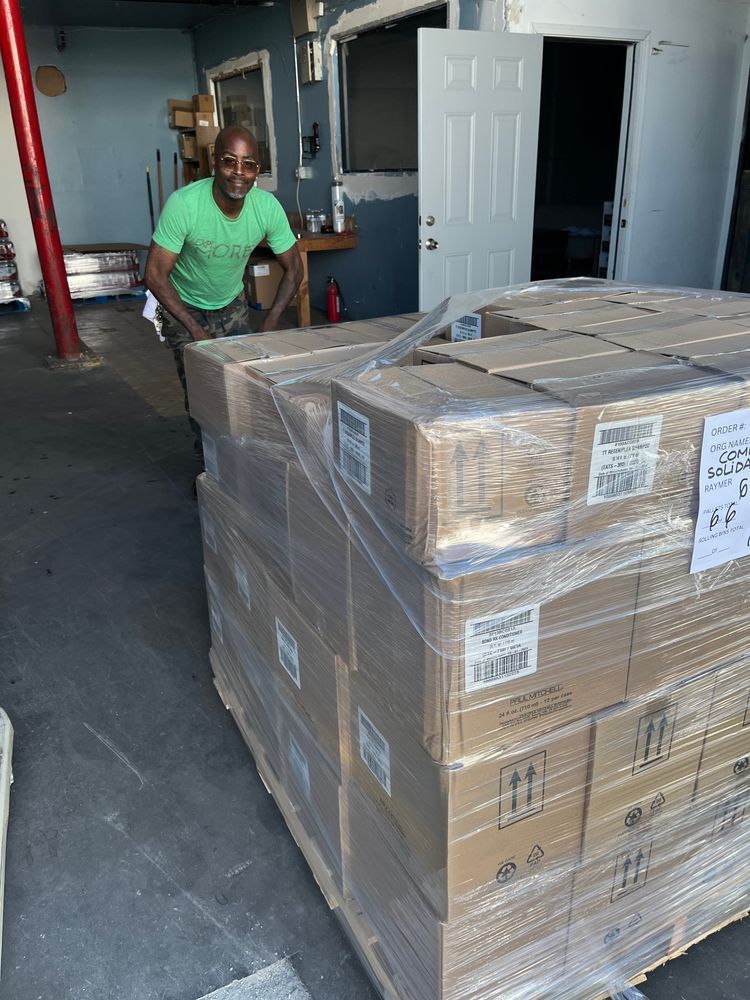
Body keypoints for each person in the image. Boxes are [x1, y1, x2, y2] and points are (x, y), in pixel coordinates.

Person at [144, 125, 303, 443]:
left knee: (243, 383)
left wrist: (270, 322)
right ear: (215, 161)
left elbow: (295, 269)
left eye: (249, 164)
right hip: (183, 305)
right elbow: (155, 275)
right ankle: (210, 473)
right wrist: (196, 330)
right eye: (230, 161)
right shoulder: (185, 204)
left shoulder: (266, 207)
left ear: (257, 169)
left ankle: (242, 458)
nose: (239, 173)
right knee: (202, 391)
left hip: (232, 304)